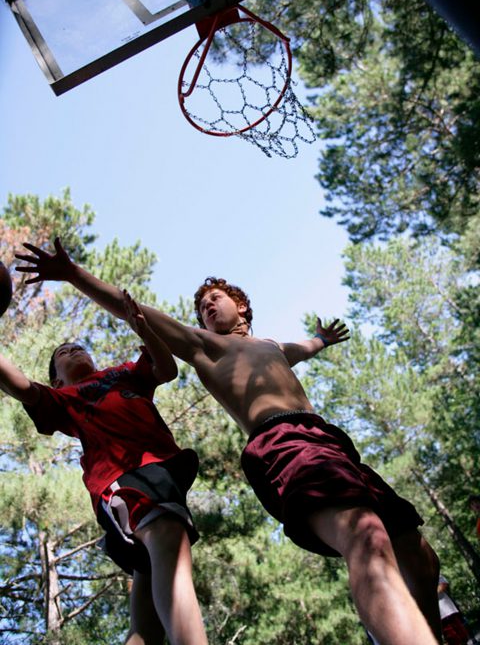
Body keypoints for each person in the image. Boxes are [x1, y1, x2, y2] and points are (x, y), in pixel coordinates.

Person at [16, 238, 442, 645]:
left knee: (420, 559)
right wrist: (72, 274)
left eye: (213, 299)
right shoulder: (205, 346)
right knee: (366, 537)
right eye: (201, 307)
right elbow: (132, 308)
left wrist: (323, 340)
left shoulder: (271, 345)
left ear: (241, 305)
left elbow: (303, 347)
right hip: (284, 443)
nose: (206, 307)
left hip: (331, 441)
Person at [0, 289, 207, 645]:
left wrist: (144, 330)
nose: (73, 350)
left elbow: (167, 369)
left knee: (147, 622)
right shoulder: (63, 398)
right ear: (56, 380)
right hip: (124, 479)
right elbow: (19, 385)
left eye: (78, 346)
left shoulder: (124, 374)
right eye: (63, 353)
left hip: (161, 474)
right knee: (168, 537)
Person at [437, 574, 471, 645]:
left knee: (463, 635)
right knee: (453, 638)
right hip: (439, 617)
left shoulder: (433, 572)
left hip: (449, 610)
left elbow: (443, 583)